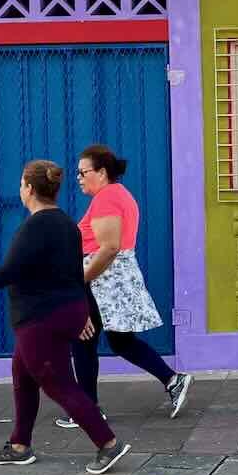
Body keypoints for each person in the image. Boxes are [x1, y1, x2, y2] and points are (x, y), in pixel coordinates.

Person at [0, 159, 130, 475]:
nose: (19, 189)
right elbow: (76, 274)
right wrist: (81, 312)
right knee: (23, 375)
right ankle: (19, 445)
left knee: (59, 384)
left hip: (41, 318)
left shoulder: (34, 228)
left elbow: (9, 273)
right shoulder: (67, 224)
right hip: (63, 311)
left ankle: (108, 443)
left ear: (29, 188)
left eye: (20, 184)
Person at [57, 143, 191, 428]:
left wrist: (79, 280)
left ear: (102, 172)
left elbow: (109, 248)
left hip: (100, 280)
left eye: (83, 172)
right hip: (109, 279)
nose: (78, 177)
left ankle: (87, 409)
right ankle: (172, 379)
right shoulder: (117, 195)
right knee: (119, 340)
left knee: (83, 339)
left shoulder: (108, 198)